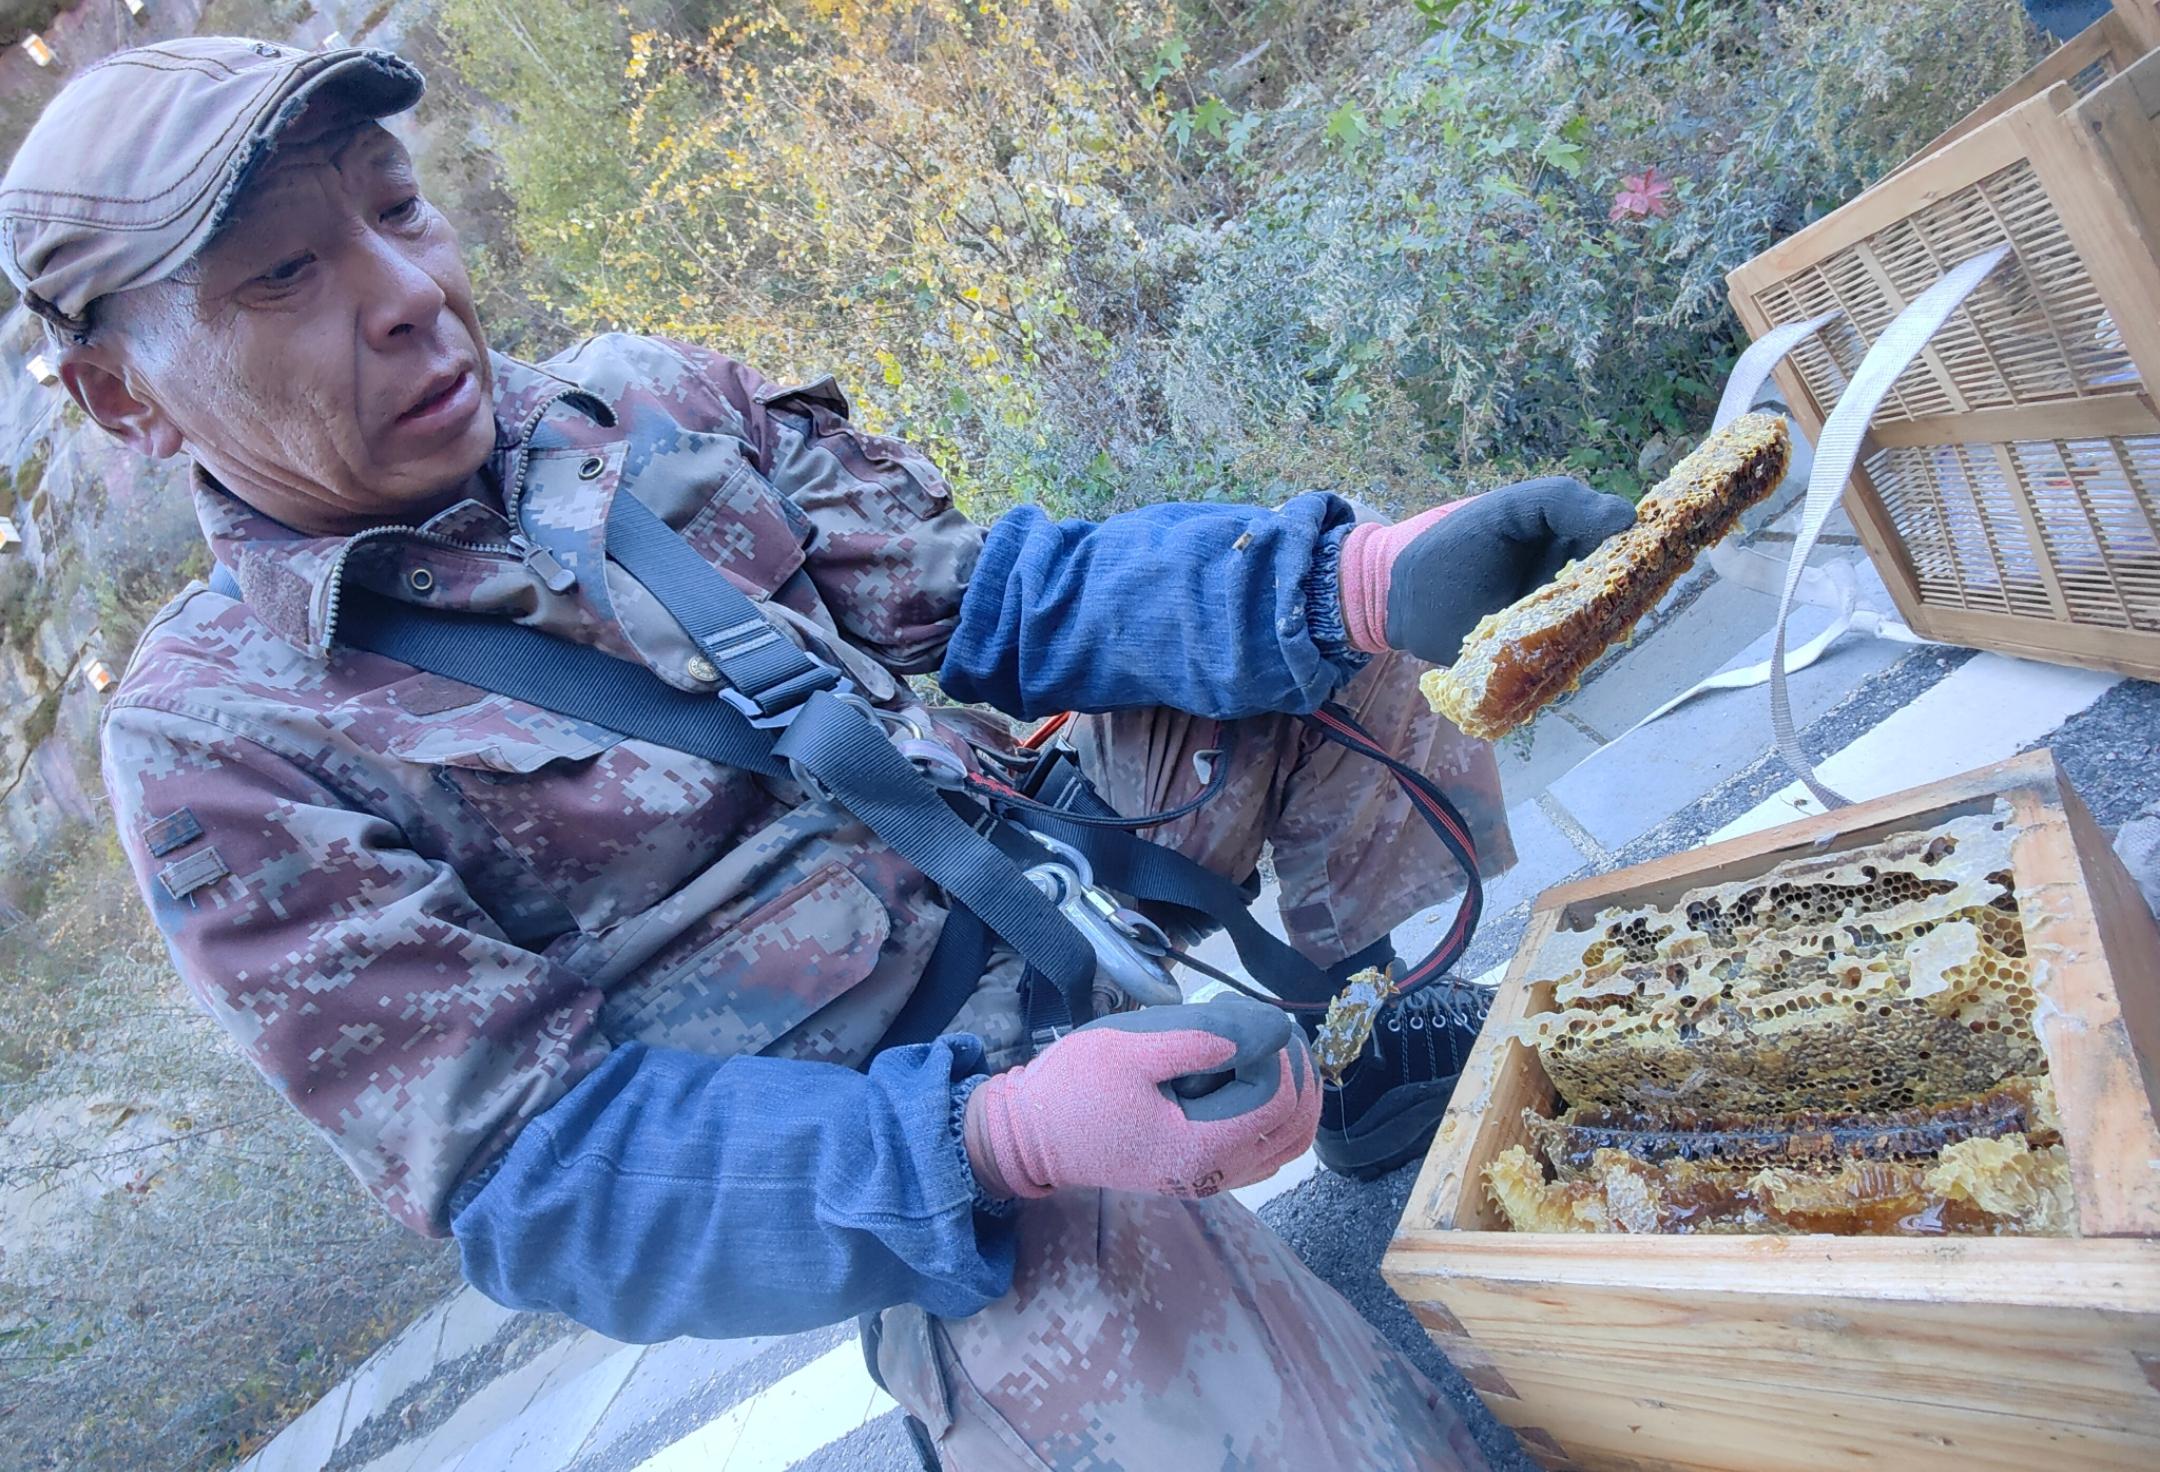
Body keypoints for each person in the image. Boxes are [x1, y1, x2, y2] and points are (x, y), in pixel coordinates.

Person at [2, 38, 1632, 1469]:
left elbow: (994, 598)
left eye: (395, 204)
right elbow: (540, 1173)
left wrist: (1363, 577)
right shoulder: (222, 741)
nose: (405, 290)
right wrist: (992, 1140)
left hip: (1054, 877)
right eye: (284, 275)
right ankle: (1005, 1379)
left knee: (1320, 623)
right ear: (119, 396)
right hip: (918, 1142)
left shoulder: (633, 401)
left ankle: (1352, 1051)